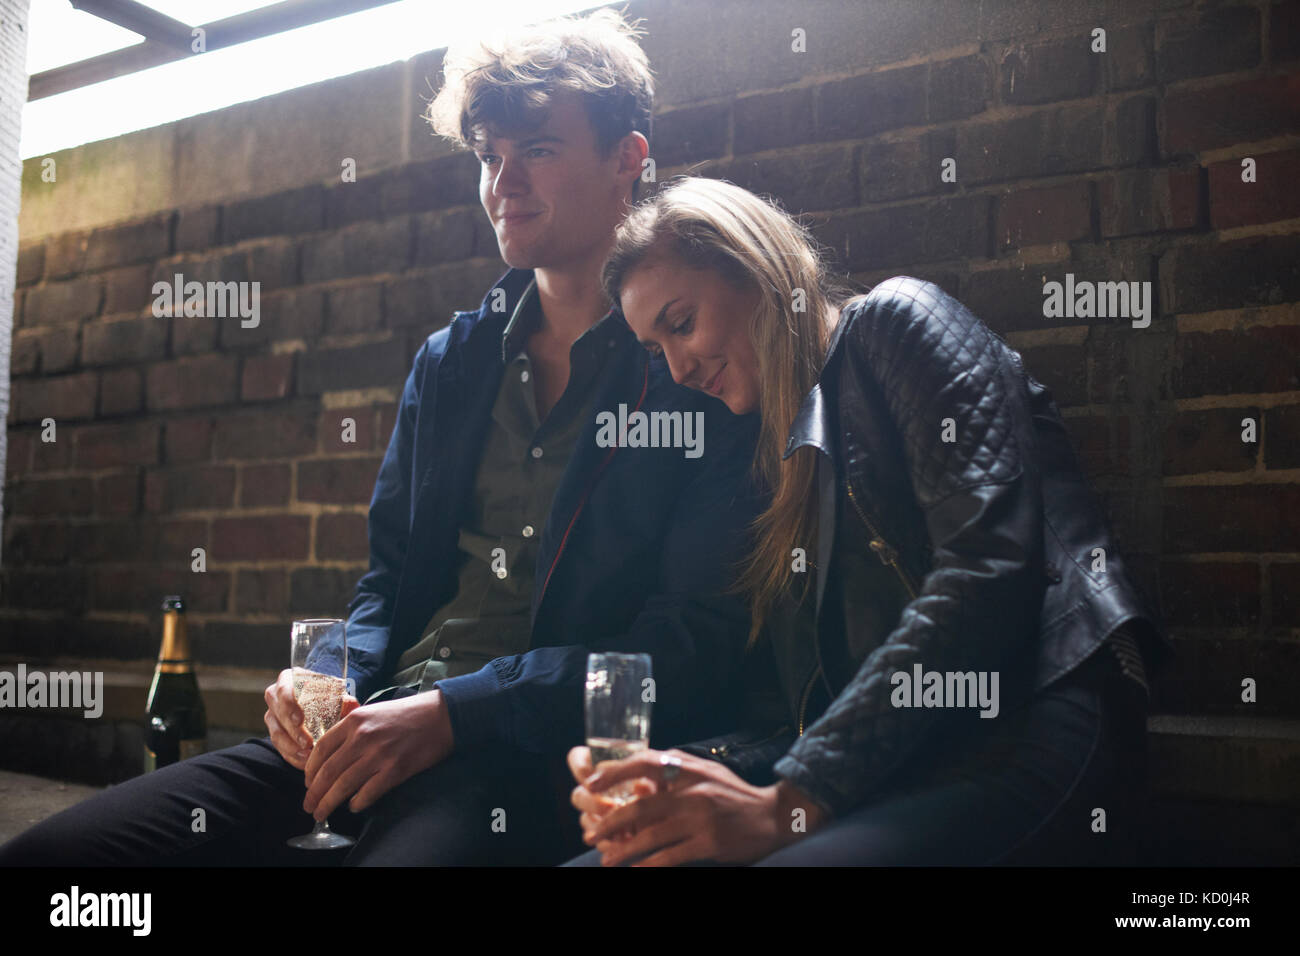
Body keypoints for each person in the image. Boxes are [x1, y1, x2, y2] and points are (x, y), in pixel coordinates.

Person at [0, 11, 762, 867]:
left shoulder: (695, 365)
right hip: (367, 733)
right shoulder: (450, 363)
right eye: (487, 156)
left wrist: (458, 713)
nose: (503, 182)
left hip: (521, 766)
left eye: (538, 149)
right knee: (52, 862)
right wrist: (331, 679)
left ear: (628, 156)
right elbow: (388, 583)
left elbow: (688, 644)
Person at [565, 176, 1172, 866]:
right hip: (905, 757)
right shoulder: (779, 450)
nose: (676, 370)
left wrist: (790, 801)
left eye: (680, 324)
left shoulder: (897, 319)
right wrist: (686, 776)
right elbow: (820, 708)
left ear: (757, 270)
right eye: (655, 349)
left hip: (1037, 716)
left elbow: (988, 571)